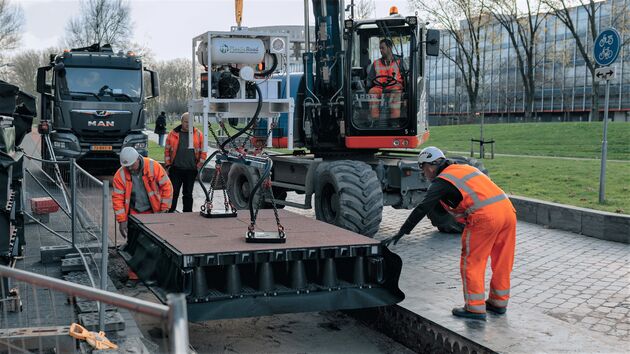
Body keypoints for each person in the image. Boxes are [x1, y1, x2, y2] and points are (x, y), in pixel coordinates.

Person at [384, 146, 516, 321]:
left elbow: (423, 208)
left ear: (430, 166)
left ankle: (474, 308)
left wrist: (402, 232)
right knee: (502, 261)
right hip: (508, 212)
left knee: (472, 262)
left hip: (485, 218)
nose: (424, 174)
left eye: (422, 169)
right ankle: (499, 303)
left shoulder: (442, 181)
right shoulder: (465, 168)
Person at [112, 147, 173, 239]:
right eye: (127, 166)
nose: (130, 168)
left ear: (137, 159)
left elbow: (167, 187)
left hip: (154, 212)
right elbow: (117, 199)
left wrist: (164, 209)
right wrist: (121, 220)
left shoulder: (153, 166)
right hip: (134, 214)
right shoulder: (120, 175)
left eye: (132, 165)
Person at [164, 112, 207, 212]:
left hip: (191, 170)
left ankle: (187, 214)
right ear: (182, 122)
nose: (188, 124)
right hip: (176, 170)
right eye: (186, 122)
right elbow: (167, 151)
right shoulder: (172, 134)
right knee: (173, 193)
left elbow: (203, 152)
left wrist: (199, 166)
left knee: (188, 194)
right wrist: (168, 165)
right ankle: (170, 212)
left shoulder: (199, 134)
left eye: (190, 122)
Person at [367, 38, 404, 121]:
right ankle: (375, 119)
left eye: (382, 48)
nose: (380, 50)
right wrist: (368, 84)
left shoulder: (399, 62)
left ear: (389, 48)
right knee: (372, 91)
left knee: (395, 93)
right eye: (380, 48)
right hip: (380, 88)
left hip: (394, 87)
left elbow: (406, 78)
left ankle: (394, 120)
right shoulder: (376, 63)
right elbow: (370, 79)